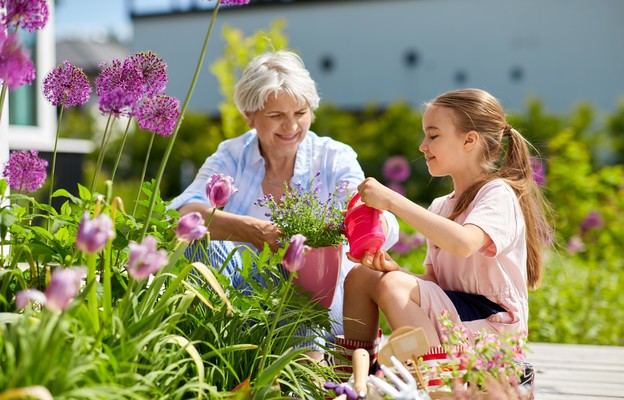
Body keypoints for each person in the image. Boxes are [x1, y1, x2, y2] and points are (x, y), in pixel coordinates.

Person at [168, 50, 399, 345]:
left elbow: (369, 209)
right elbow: (184, 213)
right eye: (276, 115)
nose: (291, 126)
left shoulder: (332, 156)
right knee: (196, 240)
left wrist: (367, 235)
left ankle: (302, 370)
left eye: (300, 113)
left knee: (296, 270)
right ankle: (217, 347)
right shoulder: (232, 154)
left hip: (319, 305)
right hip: (241, 302)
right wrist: (253, 231)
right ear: (249, 116)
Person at [338, 88, 551, 366]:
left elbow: (463, 243)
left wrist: (393, 201)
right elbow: (437, 284)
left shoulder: (497, 193)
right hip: (458, 315)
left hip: (494, 328)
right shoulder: (441, 205)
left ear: (469, 140)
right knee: (361, 276)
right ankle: (354, 379)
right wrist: (396, 271)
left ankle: (432, 382)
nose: (422, 146)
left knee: (392, 285)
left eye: (433, 135)